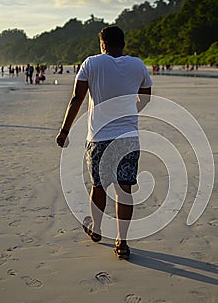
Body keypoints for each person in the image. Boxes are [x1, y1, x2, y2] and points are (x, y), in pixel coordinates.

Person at [56, 26, 152, 259]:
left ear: (103, 44)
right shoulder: (137, 64)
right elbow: (146, 95)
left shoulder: (91, 63)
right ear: (123, 43)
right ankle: (122, 242)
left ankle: (97, 230)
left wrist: (64, 130)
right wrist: (130, 112)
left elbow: (77, 98)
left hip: (99, 137)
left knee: (99, 186)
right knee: (124, 188)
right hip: (128, 137)